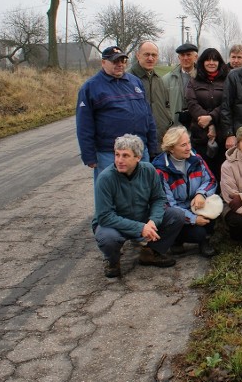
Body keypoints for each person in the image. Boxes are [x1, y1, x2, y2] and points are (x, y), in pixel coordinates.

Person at [92, 134, 184, 278]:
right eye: (117, 155)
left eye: (125, 156)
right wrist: (140, 228)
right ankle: (112, 261)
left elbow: (159, 198)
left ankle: (151, 253)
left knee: (177, 215)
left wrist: (153, 220)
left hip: (142, 217)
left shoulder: (148, 170)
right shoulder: (105, 179)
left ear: (138, 157)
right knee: (107, 238)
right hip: (114, 224)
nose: (119, 160)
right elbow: (104, 217)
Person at [76, 46, 158, 181]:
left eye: (123, 61)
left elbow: (148, 116)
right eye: (115, 61)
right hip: (110, 154)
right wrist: (89, 155)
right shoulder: (91, 87)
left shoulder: (135, 82)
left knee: (141, 193)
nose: (120, 64)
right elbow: (84, 125)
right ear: (103, 63)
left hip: (139, 152)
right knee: (111, 195)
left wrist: (152, 146)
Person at [152, 126, 218, 258]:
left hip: (196, 205)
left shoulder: (197, 159)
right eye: (183, 145)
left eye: (189, 143)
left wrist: (201, 194)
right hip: (176, 214)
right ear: (171, 148)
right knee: (198, 231)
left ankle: (205, 240)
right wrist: (193, 219)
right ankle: (177, 239)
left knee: (215, 206)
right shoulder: (160, 170)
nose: (188, 147)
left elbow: (211, 180)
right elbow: (168, 205)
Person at [185, 47, 229, 184]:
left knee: (221, 169)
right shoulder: (193, 81)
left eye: (215, 60)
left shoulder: (227, 80)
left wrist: (212, 118)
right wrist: (209, 124)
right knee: (203, 170)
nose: (211, 63)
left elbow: (227, 102)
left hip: (222, 133)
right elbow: (191, 103)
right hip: (200, 134)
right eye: (208, 60)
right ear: (202, 62)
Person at [129, 41, 173, 141]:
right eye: (146, 54)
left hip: (160, 137)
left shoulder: (159, 80)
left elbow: (166, 106)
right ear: (138, 55)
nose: (150, 58)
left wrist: (168, 122)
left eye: (154, 55)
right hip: (136, 140)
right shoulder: (127, 80)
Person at [163, 42, 198, 125]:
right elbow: (163, 106)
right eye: (182, 55)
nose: (185, 58)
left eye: (188, 55)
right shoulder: (167, 79)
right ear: (179, 57)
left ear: (195, 57)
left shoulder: (202, 78)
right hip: (176, 126)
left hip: (198, 126)